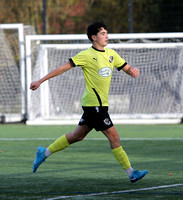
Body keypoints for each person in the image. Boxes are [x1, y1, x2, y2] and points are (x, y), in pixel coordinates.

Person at [30, 22, 148, 183]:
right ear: (94, 37)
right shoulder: (86, 55)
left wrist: (133, 71)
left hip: (99, 105)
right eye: (103, 33)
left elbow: (128, 68)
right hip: (94, 105)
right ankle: (131, 173)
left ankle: (44, 153)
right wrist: (41, 80)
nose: (107, 36)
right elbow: (63, 68)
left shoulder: (111, 54)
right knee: (114, 138)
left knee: (77, 136)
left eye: (107, 33)